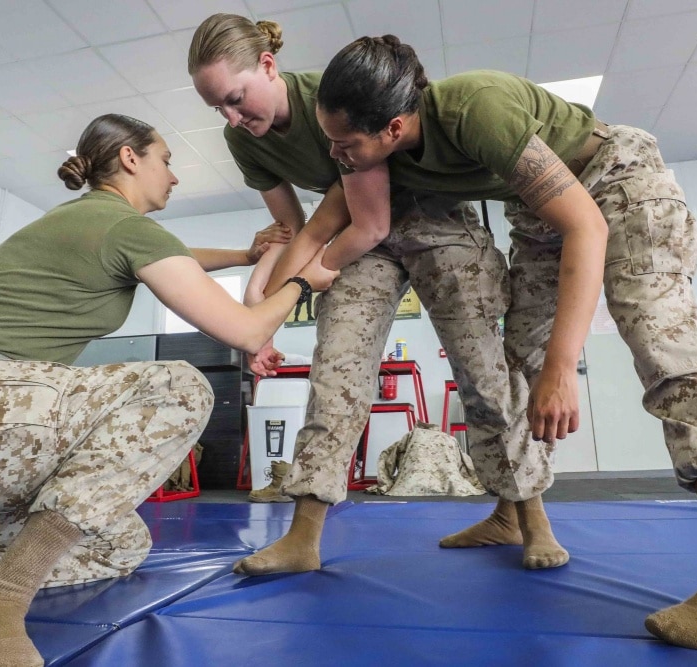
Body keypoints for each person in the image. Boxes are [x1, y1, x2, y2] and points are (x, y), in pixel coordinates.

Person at [311, 35, 697, 652]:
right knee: (511, 369)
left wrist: (564, 368)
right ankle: (510, 512)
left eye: (346, 143)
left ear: (394, 126)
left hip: (614, 182)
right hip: (538, 214)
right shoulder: (379, 155)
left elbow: (586, 222)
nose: (337, 155)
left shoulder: (475, 107)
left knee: (663, 342)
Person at [0, 113, 337, 667]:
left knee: (121, 543)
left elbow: (172, 257)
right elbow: (246, 329)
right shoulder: (124, 227)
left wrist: (242, 256)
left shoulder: (88, 223)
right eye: (166, 159)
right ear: (130, 158)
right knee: (180, 387)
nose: (174, 176)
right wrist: (303, 282)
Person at [189, 13, 568, 576]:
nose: (232, 118)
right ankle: (304, 536)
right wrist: (261, 315)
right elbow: (299, 231)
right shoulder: (243, 140)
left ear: (269, 66)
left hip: (430, 219)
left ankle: (526, 517)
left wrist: (281, 295)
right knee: (336, 372)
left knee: (484, 372)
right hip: (354, 237)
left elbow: (365, 214)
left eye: (237, 99)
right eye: (217, 107)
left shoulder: (334, 95)